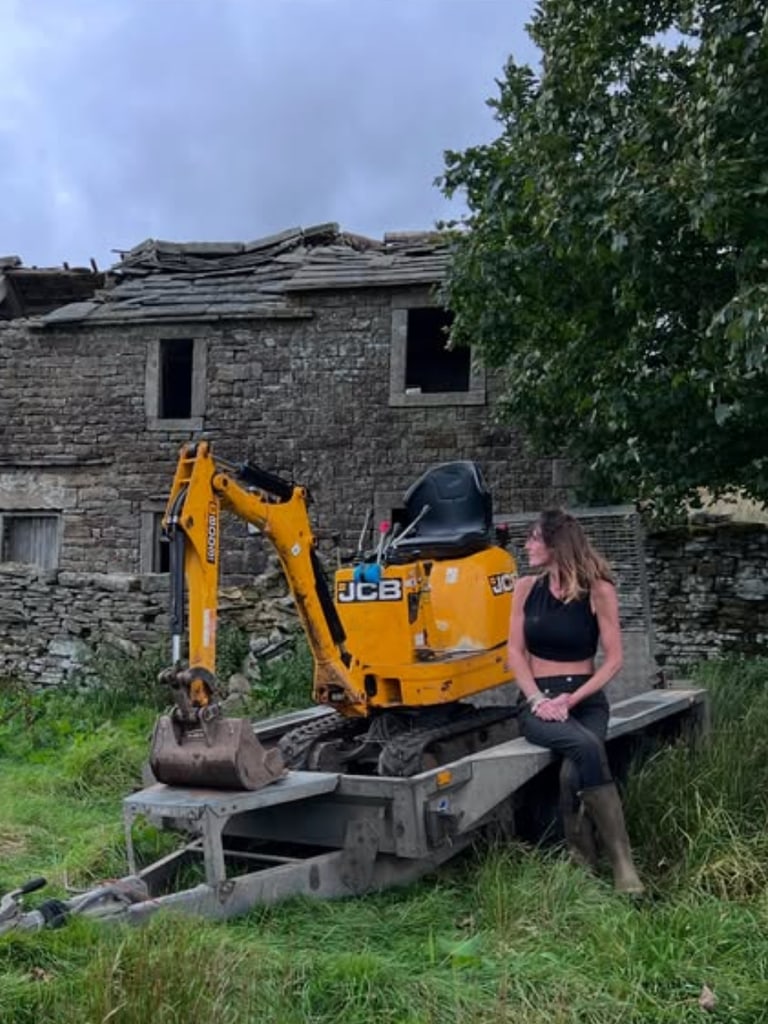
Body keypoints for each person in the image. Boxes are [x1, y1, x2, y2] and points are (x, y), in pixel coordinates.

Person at [507, 508, 644, 895]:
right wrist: (538, 699)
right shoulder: (524, 589)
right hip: (536, 702)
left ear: (556, 543)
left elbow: (614, 659)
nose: (528, 545)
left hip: (585, 699)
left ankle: (586, 861)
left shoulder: (598, 589)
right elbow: (515, 654)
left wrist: (573, 699)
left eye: (534, 537)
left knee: (573, 771)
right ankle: (623, 866)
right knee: (585, 746)